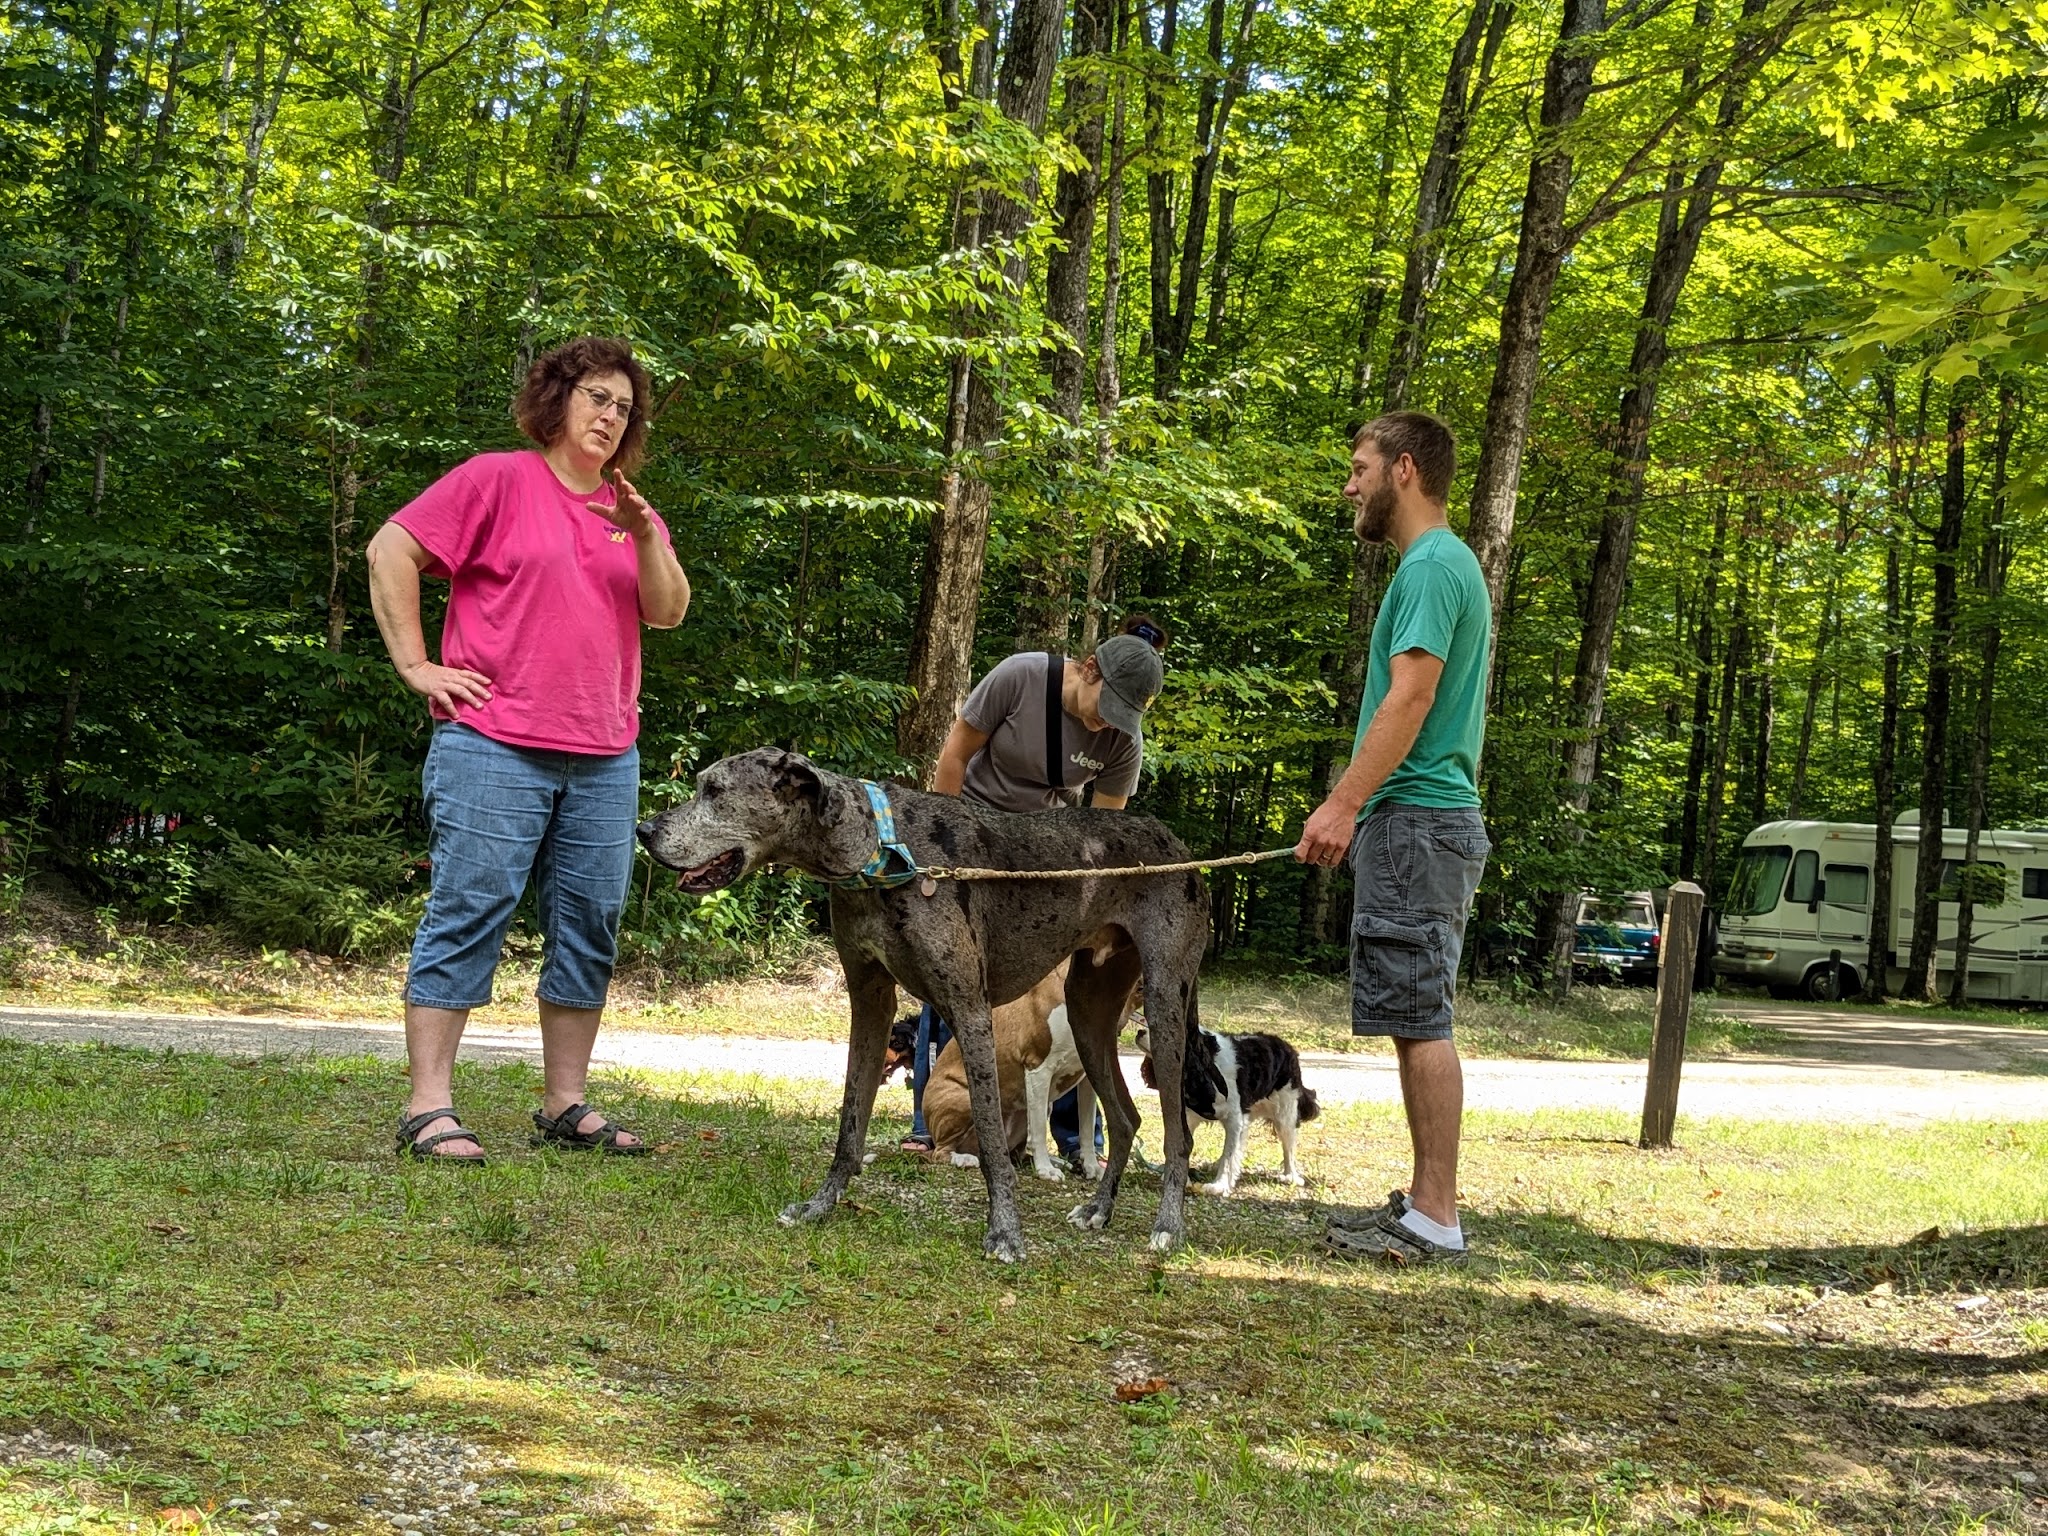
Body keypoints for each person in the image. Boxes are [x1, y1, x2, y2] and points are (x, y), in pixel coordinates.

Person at [366, 335, 691, 1162]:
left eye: (624, 407)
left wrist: (644, 535)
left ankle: (564, 1104)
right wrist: (416, 665)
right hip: (492, 742)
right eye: (596, 397)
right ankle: (428, 1107)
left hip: (605, 753)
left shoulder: (630, 510)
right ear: (557, 400)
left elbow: (668, 611)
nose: (610, 416)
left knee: (589, 923)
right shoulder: (497, 479)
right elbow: (390, 548)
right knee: (470, 907)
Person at [1296, 411, 1491, 1264]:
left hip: (1418, 821)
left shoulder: (1432, 567)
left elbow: (1410, 699)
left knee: (1421, 1017)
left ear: (1404, 470)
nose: (1350, 487)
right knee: (1415, 1015)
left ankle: (1436, 1216)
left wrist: (1343, 805)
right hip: (1417, 822)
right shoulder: (1440, 565)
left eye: (1359, 468)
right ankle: (1424, 1204)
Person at [902, 617, 1170, 1164]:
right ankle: (930, 1125)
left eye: (1122, 716)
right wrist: (941, 855)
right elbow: (954, 756)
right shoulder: (1019, 677)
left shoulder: (1122, 741)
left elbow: (1103, 833)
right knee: (951, 973)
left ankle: (1077, 1138)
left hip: (1043, 856)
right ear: (1088, 669)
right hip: (971, 836)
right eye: (1106, 707)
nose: (1106, 724)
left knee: (1073, 986)